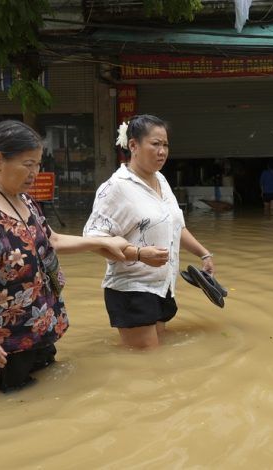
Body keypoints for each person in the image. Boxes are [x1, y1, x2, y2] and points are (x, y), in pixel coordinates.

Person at [0, 120, 129, 392]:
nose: (35, 173)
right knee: (14, 401)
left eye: (38, 164)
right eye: (27, 164)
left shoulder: (25, 200)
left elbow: (52, 240)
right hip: (3, 339)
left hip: (39, 325)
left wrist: (100, 242)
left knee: (47, 391)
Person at [83, 114, 216, 349]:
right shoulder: (115, 188)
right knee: (146, 367)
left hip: (162, 286)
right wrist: (139, 254)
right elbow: (93, 240)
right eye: (155, 144)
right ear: (133, 145)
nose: (162, 151)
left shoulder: (161, 181)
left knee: (156, 360)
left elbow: (176, 226)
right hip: (132, 290)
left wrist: (203, 253)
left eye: (165, 145)